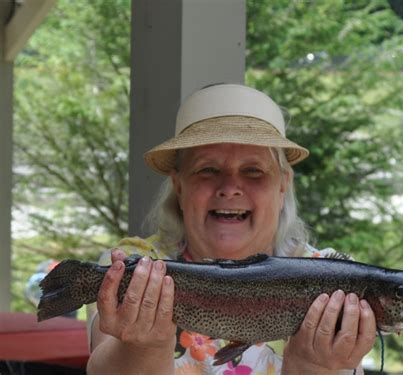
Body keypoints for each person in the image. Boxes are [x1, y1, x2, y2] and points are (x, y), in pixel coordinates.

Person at [86, 84, 376, 374]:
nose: (230, 188)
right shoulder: (134, 267)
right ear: (179, 185)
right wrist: (142, 350)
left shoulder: (333, 278)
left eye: (253, 171)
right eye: (208, 170)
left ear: (283, 184)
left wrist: (311, 369)